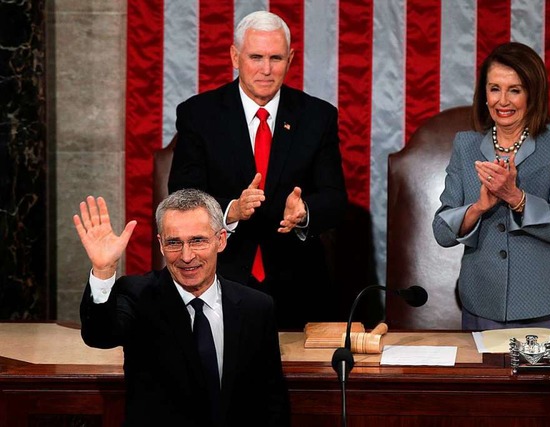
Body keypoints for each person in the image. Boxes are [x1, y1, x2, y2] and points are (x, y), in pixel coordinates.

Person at [168, 11, 347, 329]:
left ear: (290, 59)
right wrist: (230, 210)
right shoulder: (199, 115)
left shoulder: (317, 117)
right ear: (235, 56)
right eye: (256, 57)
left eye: (276, 58)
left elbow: (335, 199)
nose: (266, 69)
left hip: (298, 283)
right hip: (218, 276)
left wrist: (304, 211)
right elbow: (182, 196)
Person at [75, 189, 290, 427]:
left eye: (197, 240)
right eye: (174, 243)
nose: (186, 256)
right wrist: (104, 270)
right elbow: (100, 334)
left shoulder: (256, 307)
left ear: (220, 240)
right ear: (160, 245)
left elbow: (272, 400)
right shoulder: (138, 294)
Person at [432, 42, 550, 332]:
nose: (503, 101)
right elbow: (442, 232)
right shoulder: (465, 145)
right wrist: (478, 208)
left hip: (548, 299)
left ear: (532, 94)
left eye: (515, 90)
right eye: (494, 89)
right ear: (484, 95)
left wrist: (515, 197)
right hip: (482, 299)